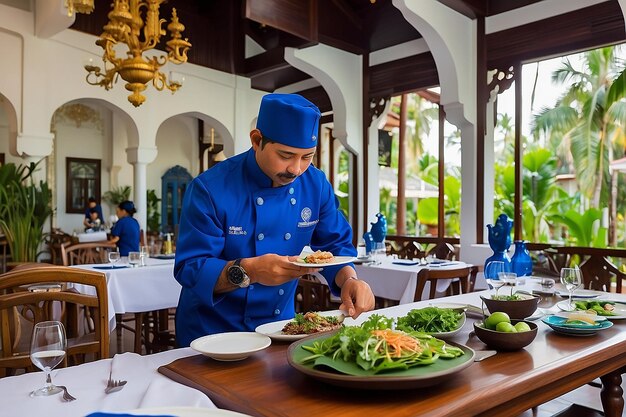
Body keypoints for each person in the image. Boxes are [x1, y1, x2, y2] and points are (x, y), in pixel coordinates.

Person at [174, 93, 375, 346]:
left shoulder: (315, 185)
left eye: (307, 156)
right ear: (257, 140)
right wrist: (251, 271)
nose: (296, 169)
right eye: (286, 155)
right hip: (211, 332)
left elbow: (336, 246)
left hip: (281, 328)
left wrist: (349, 280)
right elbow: (191, 268)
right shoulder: (210, 188)